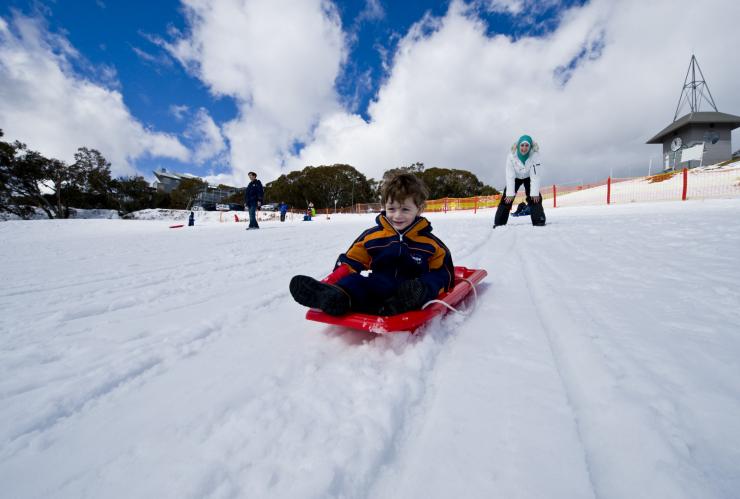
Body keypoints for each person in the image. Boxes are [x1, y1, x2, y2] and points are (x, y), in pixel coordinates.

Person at [289, 173, 454, 316]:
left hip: (407, 294)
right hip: (378, 286)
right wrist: (335, 279)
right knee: (354, 281)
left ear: (419, 209)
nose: (397, 215)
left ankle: (396, 305)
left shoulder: (430, 243)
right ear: (384, 207)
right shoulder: (372, 236)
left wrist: (425, 287)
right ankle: (335, 297)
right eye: (392, 208)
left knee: (417, 292)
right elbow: (352, 261)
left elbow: (442, 273)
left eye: (405, 209)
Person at [493, 134, 546, 227]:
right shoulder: (511, 156)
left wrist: (534, 193)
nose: (524, 148)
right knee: (507, 198)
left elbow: (535, 175)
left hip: (529, 176)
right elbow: (510, 176)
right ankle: (499, 221)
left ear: (530, 147)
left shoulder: (535, 155)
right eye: (522, 145)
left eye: (527, 146)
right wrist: (510, 193)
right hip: (516, 177)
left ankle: (539, 220)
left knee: (535, 196)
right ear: (518, 146)